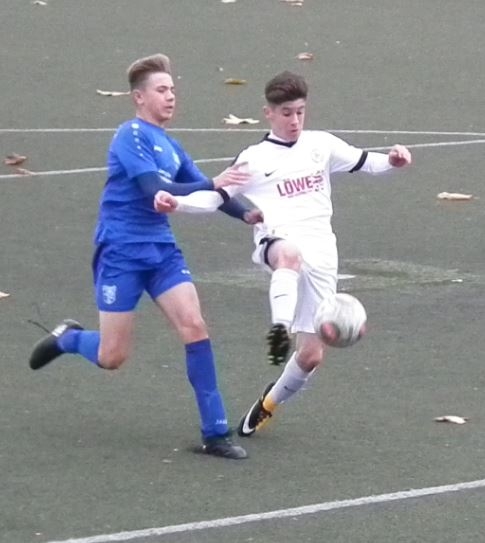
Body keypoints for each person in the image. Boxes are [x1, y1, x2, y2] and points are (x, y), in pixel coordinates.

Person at [152, 70, 412, 438]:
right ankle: (279, 328)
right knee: (288, 255)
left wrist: (394, 160)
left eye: (300, 112)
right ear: (269, 113)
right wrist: (176, 203)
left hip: (322, 255)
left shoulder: (321, 145)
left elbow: (367, 161)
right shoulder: (254, 159)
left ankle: (269, 403)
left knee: (311, 355)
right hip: (277, 240)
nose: (294, 121)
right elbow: (215, 197)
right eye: (286, 113)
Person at [29, 53, 261, 459]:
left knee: (195, 326)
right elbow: (154, 188)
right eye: (162, 90)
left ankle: (216, 432)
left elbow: (204, 191)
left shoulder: (171, 146)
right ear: (139, 97)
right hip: (121, 252)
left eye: (172, 89)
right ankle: (70, 338)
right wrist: (214, 181)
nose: (171, 96)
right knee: (112, 356)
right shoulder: (130, 135)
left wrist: (246, 214)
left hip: (161, 250)